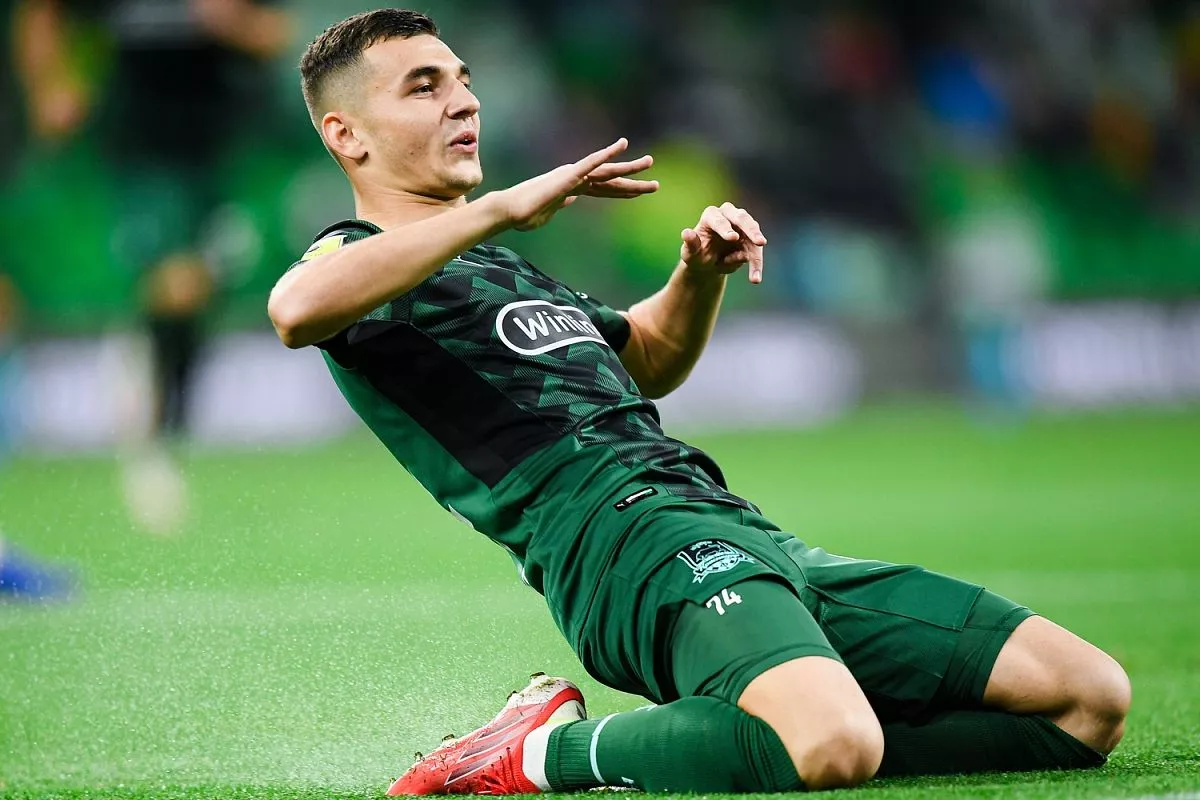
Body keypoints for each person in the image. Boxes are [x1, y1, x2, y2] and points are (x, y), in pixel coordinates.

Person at [270, 9, 1131, 795]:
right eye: (424, 87)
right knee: (829, 741)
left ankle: (772, 732)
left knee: (1086, 701)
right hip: (617, 543)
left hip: (736, 527)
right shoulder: (355, 255)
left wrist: (698, 275)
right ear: (346, 134)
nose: (464, 101)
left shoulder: (499, 266)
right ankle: (534, 755)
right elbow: (296, 310)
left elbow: (645, 360)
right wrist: (494, 210)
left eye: (463, 80)